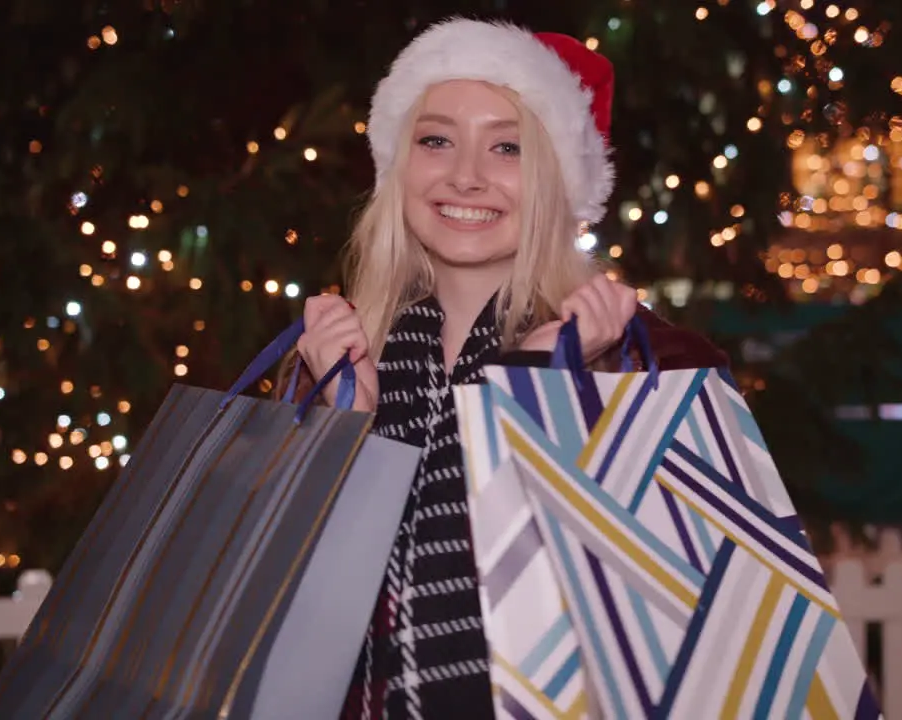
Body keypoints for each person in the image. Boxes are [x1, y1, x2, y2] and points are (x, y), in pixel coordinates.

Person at [276, 18, 727, 719]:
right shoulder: (333, 358)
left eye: (507, 147)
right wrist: (342, 432)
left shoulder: (647, 363)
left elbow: (691, 606)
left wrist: (546, 394)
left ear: (556, 179)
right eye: (435, 139)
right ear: (398, 164)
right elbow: (278, 613)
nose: (465, 175)